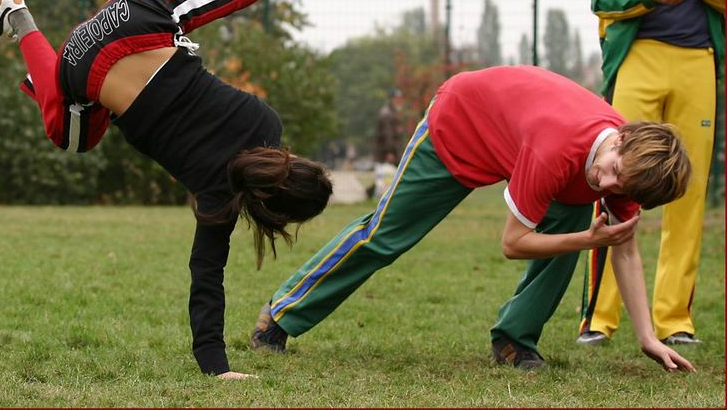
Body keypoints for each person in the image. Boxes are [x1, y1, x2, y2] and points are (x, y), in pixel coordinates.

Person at [0, 0, 428, 379]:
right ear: (271, 214)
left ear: (291, 161)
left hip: (138, 17)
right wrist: (215, 367)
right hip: (82, 62)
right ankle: (23, 25)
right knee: (68, 136)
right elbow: (206, 277)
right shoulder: (218, 201)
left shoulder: (266, 123)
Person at [251, 65, 695, 373]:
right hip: (460, 123)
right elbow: (513, 243)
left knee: (573, 232)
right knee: (384, 236)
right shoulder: (556, 149)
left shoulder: (633, 169)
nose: (609, 185)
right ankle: (282, 315)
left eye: (622, 188)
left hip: (519, 135)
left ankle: (513, 340)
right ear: (621, 138)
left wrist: (648, 338)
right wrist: (586, 240)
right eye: (613, 171)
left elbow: (627, 248)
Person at [577, 0, 724, 347]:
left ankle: (674, 319)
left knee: (688, 190)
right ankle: (600, 318)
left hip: (698, 60)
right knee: (614, 181)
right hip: (637, 59)